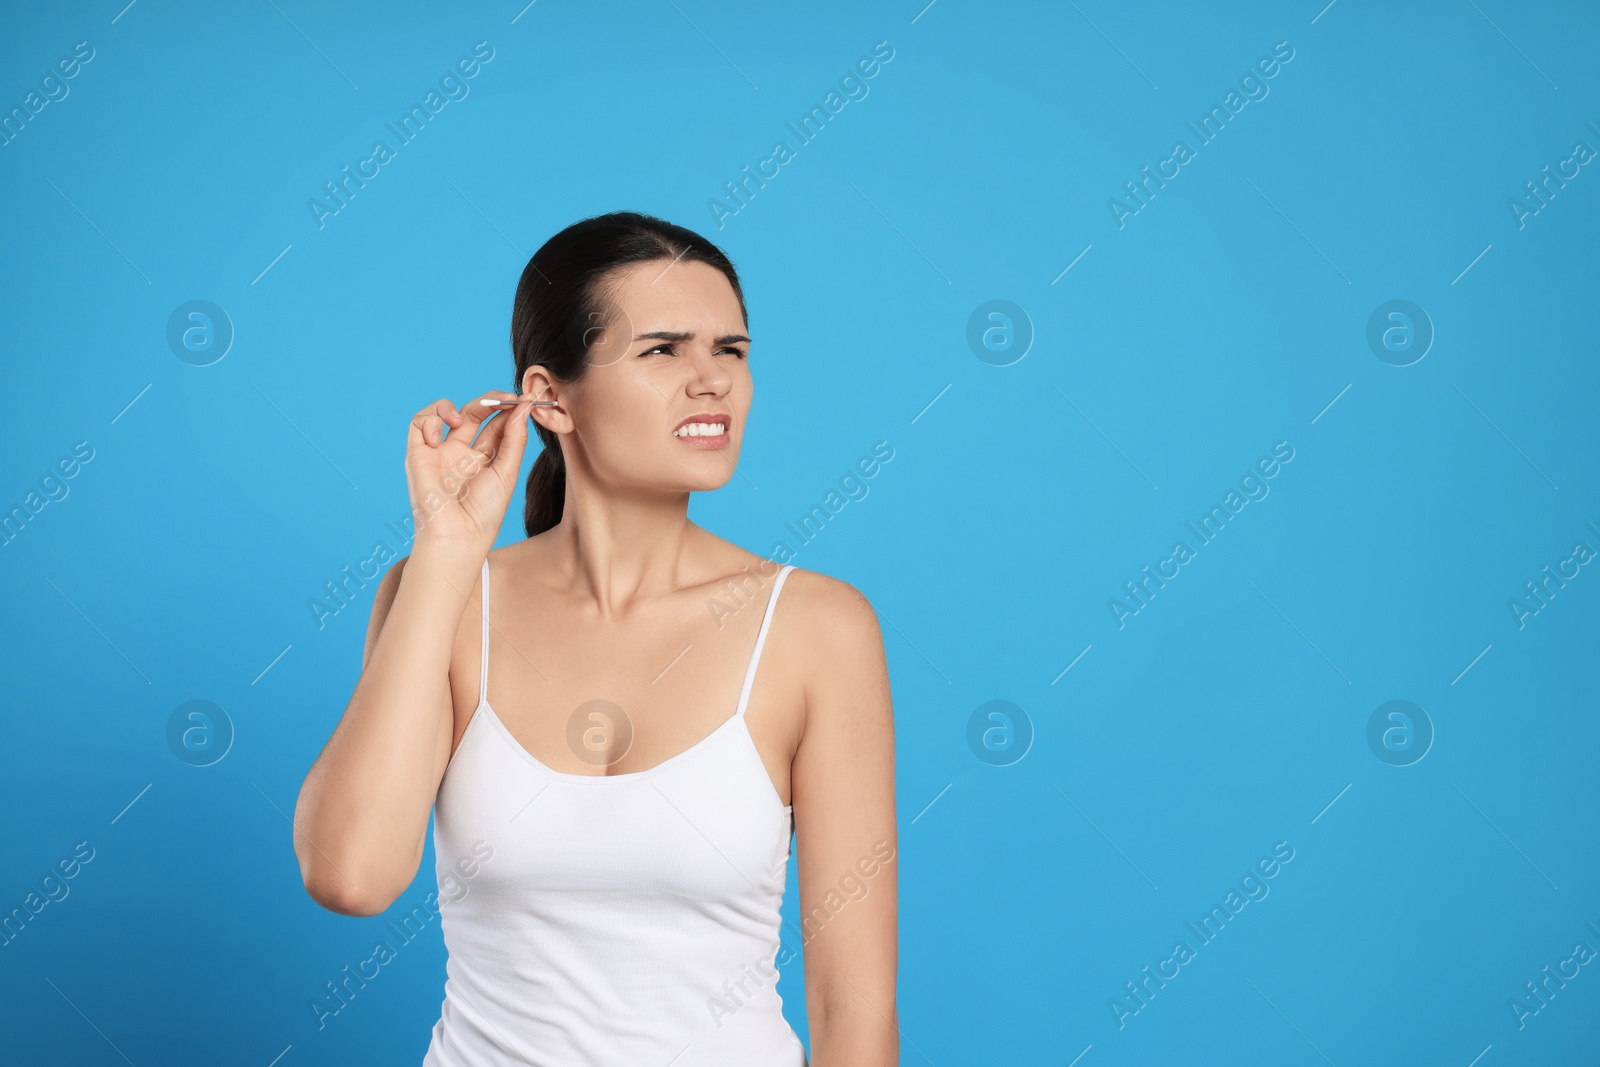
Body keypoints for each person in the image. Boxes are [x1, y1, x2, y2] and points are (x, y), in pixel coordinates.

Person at [293, 211, 898, 1065]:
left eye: (731, 349)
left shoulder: (817, 628)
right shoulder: (444, 599)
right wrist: (445, 554)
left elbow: (855, 1013)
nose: (712, 380)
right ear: (550, 397)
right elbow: (349, 875)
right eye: (663, 350)